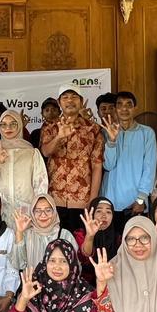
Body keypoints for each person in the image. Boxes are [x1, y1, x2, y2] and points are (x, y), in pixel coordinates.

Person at [41, 87, 103, 232]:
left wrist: (92, 200)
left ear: (81, 101)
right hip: (55, 198)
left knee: (79, 244)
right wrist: (59, 137)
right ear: (59, 102)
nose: (69, 100)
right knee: (55, 244)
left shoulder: (93, 129)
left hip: (82, 200)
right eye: (65, 97)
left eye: (74, 97)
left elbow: (97, 166)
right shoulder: (50, 127)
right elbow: (45, 152)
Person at [0, 110, 48, 223]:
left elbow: (41, 185)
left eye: (13, 124)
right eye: (3, 124)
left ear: (20, 125)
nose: (8, 128)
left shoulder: (31, 152)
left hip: (26, 212)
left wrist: (38, 210)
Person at [101, 91, 157, 226]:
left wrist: (141, 199)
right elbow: (107, 165)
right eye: (120, 105)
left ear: (135, 108)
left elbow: (149, 168)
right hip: (111, 201)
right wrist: (112, 141)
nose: (124, 109)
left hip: (135, 202)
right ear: (115, 109)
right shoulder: (106, 131)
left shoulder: (146, 133)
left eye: (129, 105)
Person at [10, 193, 75, 272]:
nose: (43, 215)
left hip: (59, 283)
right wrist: (19, 232)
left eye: (48, 210)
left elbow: (75, 266)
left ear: (54, 212)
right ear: (32, 213)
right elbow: (18, 264)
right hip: (32, 283)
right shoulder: (27, 234)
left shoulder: (65, 235)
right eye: (38, 211)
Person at [75, 197, 120, 274]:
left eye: (108, 212)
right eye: (99, 211)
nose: (104, 216)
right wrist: (90, 235)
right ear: (91, 214)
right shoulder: (80, 233)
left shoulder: (117, 237)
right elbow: (85, 256)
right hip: (86, 282)